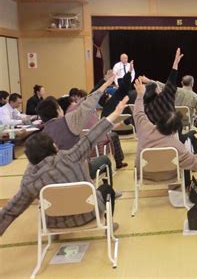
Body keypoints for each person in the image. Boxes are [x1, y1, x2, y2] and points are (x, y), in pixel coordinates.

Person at [0, 96, 129, 237]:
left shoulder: (29, 181)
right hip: (89, 213)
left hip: (54, 222)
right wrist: (115, 114)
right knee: (106, 189)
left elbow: (11, 210)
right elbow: (91, 136)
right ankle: (108, 228)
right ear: (53, 147)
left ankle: (56, 235)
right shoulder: (70, 156)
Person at [132, 78, 197, 185]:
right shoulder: (177, 147)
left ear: (159, 121)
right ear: (175, 130)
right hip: (170, 177)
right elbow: (195, 162)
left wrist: (140, 94)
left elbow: (138, 112)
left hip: (143, 175)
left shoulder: (144, 127)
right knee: (185, 164)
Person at [37, 74, 120, 186]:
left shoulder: (41, 137)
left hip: (55, 183)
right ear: (57, 110)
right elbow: (89, 103)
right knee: (106, 160)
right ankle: (108, 191)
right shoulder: (69, 121)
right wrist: (105, 84)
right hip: (79, 175)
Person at [140, 48, 183, 125]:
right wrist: (175, 62)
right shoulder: (166, 96)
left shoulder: (145, 109)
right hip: (173, 134)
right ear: (156, 90)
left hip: (156, 135)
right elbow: (172, 78)